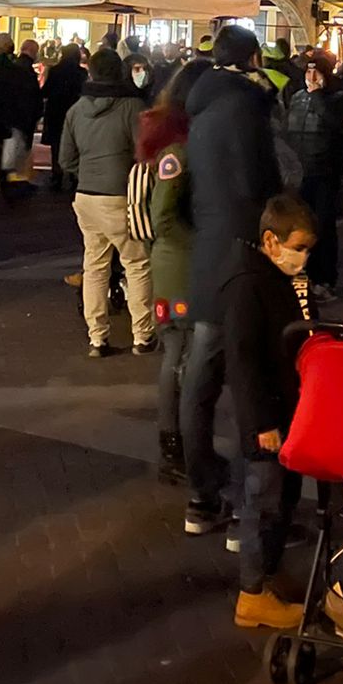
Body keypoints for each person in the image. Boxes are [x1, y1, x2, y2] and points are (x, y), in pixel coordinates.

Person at [180, 25, 283, 536]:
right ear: (253, 58)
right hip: (242, 251)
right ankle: (251, 507)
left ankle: (201, 492)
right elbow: (258, 183)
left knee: (200, 374)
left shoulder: (200, 107)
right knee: (250, 375)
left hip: (207, 247)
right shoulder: (246, 107)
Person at [221, 194, 320, 630]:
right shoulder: (249, 284)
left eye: (307, 249)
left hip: (291, 409)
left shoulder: (286, 281)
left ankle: (271, 576)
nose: (303, 256)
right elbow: (244, 362)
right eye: (298, 246)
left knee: (283, 500)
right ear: (271, 241)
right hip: (267, 419)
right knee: (262, 502)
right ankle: (252, 593)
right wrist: (262, 423)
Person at [60, 48, 156, 356]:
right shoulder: (132, 106)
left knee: (95, 266)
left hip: (86, 196)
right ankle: (142, 335)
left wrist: (87, 173)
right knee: (137, 264)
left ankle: (97, 338)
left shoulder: (75, 110)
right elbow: (146, 152)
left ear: (90, 72)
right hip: (121, 196)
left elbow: (66, 159)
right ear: (121, 72)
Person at [143, 62, 201, 485]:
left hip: (179, 262)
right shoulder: (178, 154)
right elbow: (163, 216)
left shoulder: (181, 146)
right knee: (179, 354)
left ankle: (180, 441)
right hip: (180, 267)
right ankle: (173, 443)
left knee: (181, 355)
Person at [280, 49, 343, 296]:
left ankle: (325, 278)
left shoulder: (338, 97)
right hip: (300, 171)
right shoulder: (297, 97)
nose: (310, 75)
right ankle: (304, 274)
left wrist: (318, 96)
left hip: (325, 170)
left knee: (323, 226)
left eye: (315, 70)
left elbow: (339, 125)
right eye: (307, 70)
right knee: (300, 225)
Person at [0, 33, 42, 200]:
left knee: (2, 159)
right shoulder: (17, 72)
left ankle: (8, 185)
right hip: (12, 123)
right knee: (11, 161)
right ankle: (12, 186)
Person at [41, 44, 87, 195]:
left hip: (56, 111)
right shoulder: (81, 73)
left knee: (56, 144)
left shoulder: (54, 71)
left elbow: (45, 91)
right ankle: (74, 176)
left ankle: (57, 175)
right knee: (75, 143)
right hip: (75, 111)